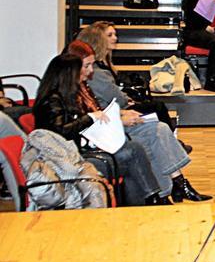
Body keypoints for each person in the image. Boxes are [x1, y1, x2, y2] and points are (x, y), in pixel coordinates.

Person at [63, 39, 207, 202]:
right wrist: (119, 119)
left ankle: (174, 186)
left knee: (159, 128)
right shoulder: (66, 91)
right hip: (98, 139)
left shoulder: (83, 85)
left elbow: (97, 112)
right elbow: (83, 122)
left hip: (106, 129)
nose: (90, 71)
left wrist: (120, 115)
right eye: (87, 65)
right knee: (151, 139)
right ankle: (167, 192)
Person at [34, 53, 165, 206]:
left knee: (133, 151)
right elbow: (61, 132)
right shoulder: (52, 100)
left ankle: (149, 201)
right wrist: (90, 118)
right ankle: (152, 200)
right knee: (133, 154)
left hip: (79, 151)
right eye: (82, 69)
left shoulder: (68, 95)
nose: (87, 72)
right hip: (67, 162)